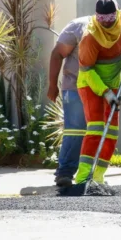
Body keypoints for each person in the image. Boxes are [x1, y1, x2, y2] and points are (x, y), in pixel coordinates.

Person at [75, 0, 121, 187]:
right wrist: (106, 93)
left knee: (112, 132)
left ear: (116, 13)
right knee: (97, 128)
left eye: (110, 19)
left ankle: (98, 177)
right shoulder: (89, 38)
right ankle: (83, 178)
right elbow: (88, 72)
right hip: (91, 84)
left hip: (114, 80)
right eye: (102, 19)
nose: (106, 24)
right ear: (96, 17)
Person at [47, 15, 91, 187]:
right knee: (75, 130)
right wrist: (52, 85)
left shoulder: (116, 29)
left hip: (101, 90)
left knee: (96, 131)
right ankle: (65, 172)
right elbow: (57, 53)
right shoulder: (79, 27)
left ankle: (90, 173)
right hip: (74, 87)